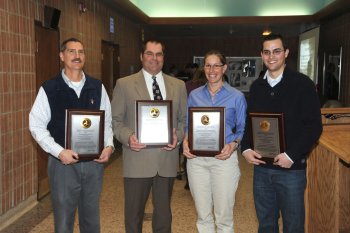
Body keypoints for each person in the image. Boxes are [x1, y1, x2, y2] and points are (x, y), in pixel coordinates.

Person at [29, 38, 114, 233]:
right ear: (62, 56)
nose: (77, 56)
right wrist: (59, 152)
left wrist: (109, 146)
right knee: (64, 220)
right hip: (63, 165)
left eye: (81, 52)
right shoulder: (49, 89)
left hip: (93, 164)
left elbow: (106, 122)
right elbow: (36, 125)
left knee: (91, 218)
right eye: (72, 51)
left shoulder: (97, 87)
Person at [240, 33, 323, 233]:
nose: (271, 56)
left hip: (291, 170)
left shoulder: (303, 84)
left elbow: (314, 126)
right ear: (261, 54)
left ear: (286, 53)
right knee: (266, 224)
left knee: (293, 226)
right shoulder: (257, 86)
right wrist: (246, 148)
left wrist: (291, 155)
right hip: (262, 169)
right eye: (267, 52)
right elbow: (250, 123)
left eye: (277, 51)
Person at [111, 39, 187, 233]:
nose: (154, 58)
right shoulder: (124, 84)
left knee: (163, 217)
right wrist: (129, 138)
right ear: (141, 56)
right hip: (137, 160)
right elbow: (116, 121)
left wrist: (177, 137)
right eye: (149, 54)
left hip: (166, 160)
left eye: (159, 54)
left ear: (163, 57)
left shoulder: (178, 85)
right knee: (133, 216)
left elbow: (183, 120)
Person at [182, 50, 247, 232]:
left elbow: (242, 129)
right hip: (197, 161)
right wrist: (186, 141)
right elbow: (188, 125)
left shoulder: (236, 97)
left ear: (224, 68)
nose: (212, 70)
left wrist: (233, 145)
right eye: (208, 65)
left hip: (224, 160)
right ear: (204, 68)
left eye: (216, 65)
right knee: (203, 216)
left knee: (224, 217)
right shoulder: (194, 95)